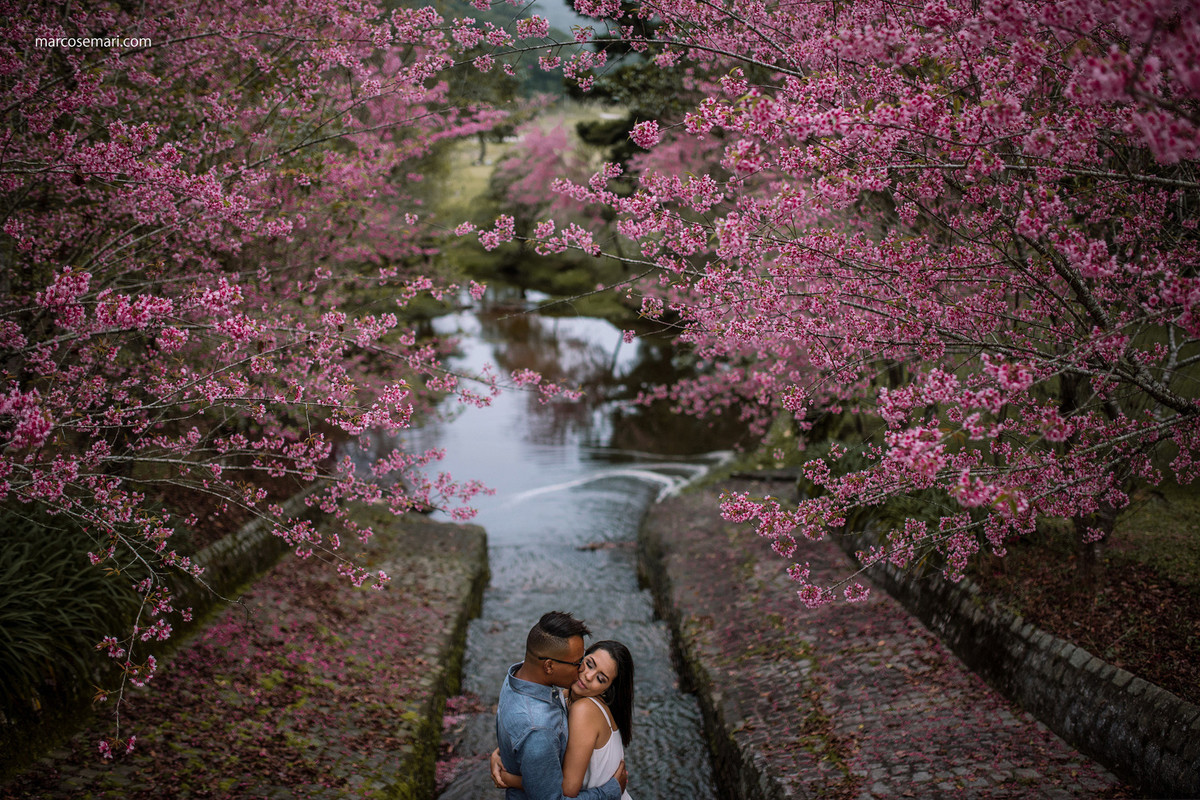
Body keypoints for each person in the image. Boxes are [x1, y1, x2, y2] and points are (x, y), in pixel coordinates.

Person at [495, 612, 629, 800]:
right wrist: (502, 754)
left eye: (601, 678)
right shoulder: (549, 712)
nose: (583, 672)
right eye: (581, 663)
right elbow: (528, 737)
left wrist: (509, 774)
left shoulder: (516, 677)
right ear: (549, 666)